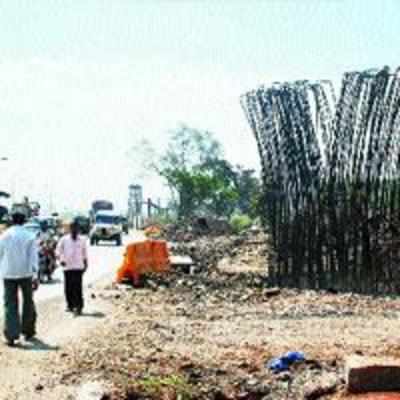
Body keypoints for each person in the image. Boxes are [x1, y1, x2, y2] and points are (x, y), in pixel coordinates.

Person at [0, 211, 39, 346]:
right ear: (24, 221)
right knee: (28, 301)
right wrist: (35, 276)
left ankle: (11, 334)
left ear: (12, 220)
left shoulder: (4, 236)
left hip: (8, 273)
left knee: (10, 303)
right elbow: (34, 258)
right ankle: (28, 331)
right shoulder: (29, 236)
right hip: (26, 273)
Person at [56, 221, 88, 316]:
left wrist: (86, 264)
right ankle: (70, 305)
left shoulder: (82, 240)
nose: (74, 230)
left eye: (76, 228)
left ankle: (79, 306)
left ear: (78, 229)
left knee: (78, 287)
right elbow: (58, 251)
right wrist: (61, 259)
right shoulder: (64, 240)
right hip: (68, 267)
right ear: (70, 229)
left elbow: (84, 253)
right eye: (72, 228)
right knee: (68, 287)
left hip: (78, 267)